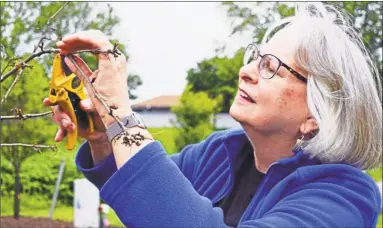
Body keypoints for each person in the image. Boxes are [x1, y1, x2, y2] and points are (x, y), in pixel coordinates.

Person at [44, 2, 382, 227]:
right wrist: (104, 136)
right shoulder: (220, 152)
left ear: (316, 114)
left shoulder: (343, 197)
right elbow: (142, 189)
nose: (246, 71)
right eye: (255, 56)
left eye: (270, 67)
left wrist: (118, 111)